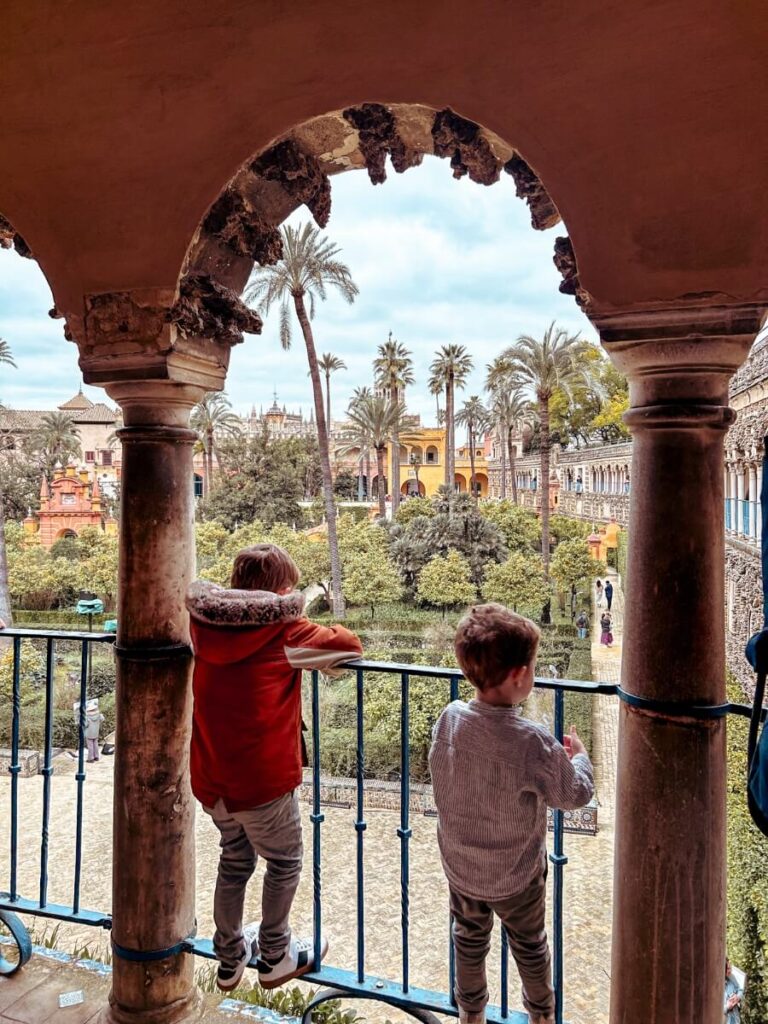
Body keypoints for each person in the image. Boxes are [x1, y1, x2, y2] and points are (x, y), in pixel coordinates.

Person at [186, 544, 362, 992]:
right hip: (261, 782)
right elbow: (347, 646)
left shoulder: (203, 624)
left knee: (235, 859)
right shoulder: (284, 634)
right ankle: (276, 954)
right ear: (283, 591)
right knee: (284, 862)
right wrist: (298, 609)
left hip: (213, 778)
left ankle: (229, 960)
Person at [429, 604, 594, 1024]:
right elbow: (574, 794)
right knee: (531, 945)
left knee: (467, 940)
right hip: (516, 875)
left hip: (462, 867)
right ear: (520, 676)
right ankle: (541, 1015)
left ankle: (471, 1013)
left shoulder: (449, 720)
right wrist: (581, 759)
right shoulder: (530, 741)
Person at [724, 959, 744, 1023]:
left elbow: (740, 990)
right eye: (728, 969)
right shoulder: (715, 988)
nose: (730, 971)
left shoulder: (731, 980)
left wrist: (737, 997)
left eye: (730, 968)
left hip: (735, 1019)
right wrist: (727, 1007)